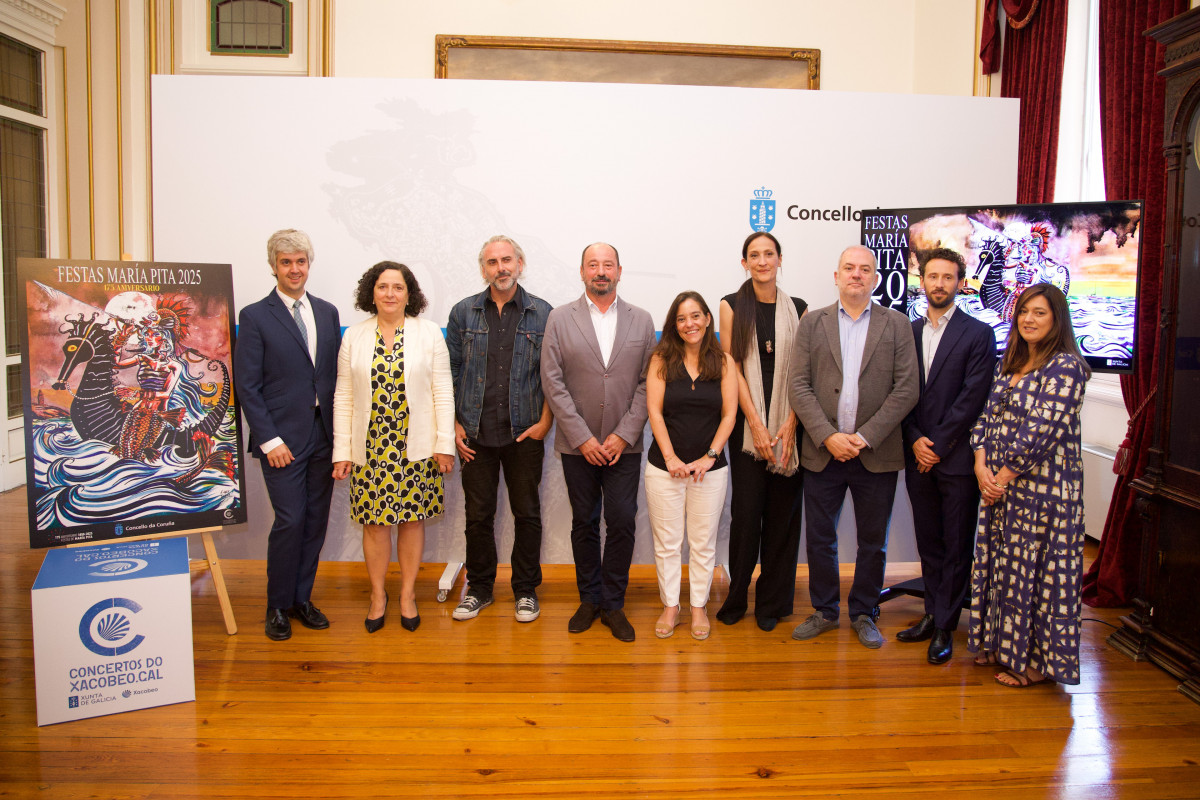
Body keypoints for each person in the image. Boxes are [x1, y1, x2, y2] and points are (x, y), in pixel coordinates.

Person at [788, 244, 919, 649]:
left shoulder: (897, 324)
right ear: (836, 276)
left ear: (875, 278)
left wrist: (862, 438)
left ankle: (864, 611)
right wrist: (828, 435)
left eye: (865, 269)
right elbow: (798, 385)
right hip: (823, 452)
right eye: (849, 268)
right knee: (821, 537)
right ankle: (825, 610)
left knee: (872, 540)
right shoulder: (813, 324)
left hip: (875, 454)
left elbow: (906, 389)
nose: (856, 275)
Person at [968, 283, 1089, 688]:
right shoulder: (1011, 362)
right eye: (1023, 311)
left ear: (1056, 319)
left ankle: (1038, 665)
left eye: (1039, 313)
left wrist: (1001, 477)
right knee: (1003, 568)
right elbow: (986, 418)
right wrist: (982, 465)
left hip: (1045, 494)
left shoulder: (1066, 367)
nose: (1028, 319)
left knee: (1039, 576)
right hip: (1001, 489)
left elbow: (1042, 432)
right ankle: (1000, 646)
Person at [541, 242, 657, 642]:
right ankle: (589, 599)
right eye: (594, 264)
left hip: (624, 446)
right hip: (578, 446)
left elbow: (648, 383)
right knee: (585, 523)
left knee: (622, 522)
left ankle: (614, 604)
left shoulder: (642, 320)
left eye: (608, 265)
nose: (601, 271)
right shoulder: (559, 318)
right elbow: (552, 383)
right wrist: (583, 437)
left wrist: (623, 435)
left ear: (620, 271)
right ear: (582, 271)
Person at [332, 261, 454, 634]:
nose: (389, 293)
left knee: (413, 521)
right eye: (383, 287)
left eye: (397, 287)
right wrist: (342, 451)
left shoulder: (429, 333)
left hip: (417, 446)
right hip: (370, 447)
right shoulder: (354, 336)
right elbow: (344, 397)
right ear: (372, 292)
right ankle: (378, 595)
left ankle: (407, 595)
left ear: (408, 294)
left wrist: (444, 443)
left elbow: (442, 392)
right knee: (375, 525)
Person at [234, 229, 341, 641]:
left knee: (314, 522)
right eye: (286, 262)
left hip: (323, 437)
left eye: (300, 261)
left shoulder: (328, 312)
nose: (294, 269)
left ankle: (302, 599)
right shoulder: (256, 316)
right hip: (281, 440)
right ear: (274, 266)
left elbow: (331, 379)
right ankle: (277, 605)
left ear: (309, 264)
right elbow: (248, 386)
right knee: (290, 520)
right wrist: (269, 440)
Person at [446, 235, 554, 624]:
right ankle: (479, 589)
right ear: (483, 269)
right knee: (478, 516)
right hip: (475, 434)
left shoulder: (544, 314)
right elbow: (452, 374)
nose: (500, 268)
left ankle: (525, 590)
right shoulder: (463, 313)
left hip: (525, 432)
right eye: (492, 262)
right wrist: (455, 424)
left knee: (527, 513)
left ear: (520, 264)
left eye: (507, 260)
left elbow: (552, 376)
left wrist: (546, 421)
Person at [898, 248, 996, 664]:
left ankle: (945, 626)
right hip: (917, 454)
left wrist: (935, 447)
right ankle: (931, 613)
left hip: (954, 462)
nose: (939, 284)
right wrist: (916, 439)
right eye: (932, 276)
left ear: (960, 282)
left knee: (956, 546)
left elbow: (972, 399)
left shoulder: (978, 333)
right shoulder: (908, 331)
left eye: (947, 277)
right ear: (921, 280)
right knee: (930, 543)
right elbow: (900, 395)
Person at [715, 231, 807, 632]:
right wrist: (754, 422)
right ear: (744, 263)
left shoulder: (800, 308)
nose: (762, 261)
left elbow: (803, 375)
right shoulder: (731, 304)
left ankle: (772, 603)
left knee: (782, 520)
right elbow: (732, 365)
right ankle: (737, 598)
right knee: (747, 516)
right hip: (748, 432)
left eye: (769, 254)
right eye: (755, 255)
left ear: (780, 259)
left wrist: (788, 424)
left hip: (790, 428)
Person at [644, 291, 738, 640]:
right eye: (682, 318)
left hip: (709, 470)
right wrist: (670, 459)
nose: (690, 324)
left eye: (696, 316)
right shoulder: (661, 359)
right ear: (674, 325)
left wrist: (708, 457)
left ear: (708, 319)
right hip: (663, 468)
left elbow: (729, 414)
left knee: (702, 542)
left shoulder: (724, 362)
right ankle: (671, 606)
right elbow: (654, 411)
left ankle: (698, 606)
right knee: (667, 543)